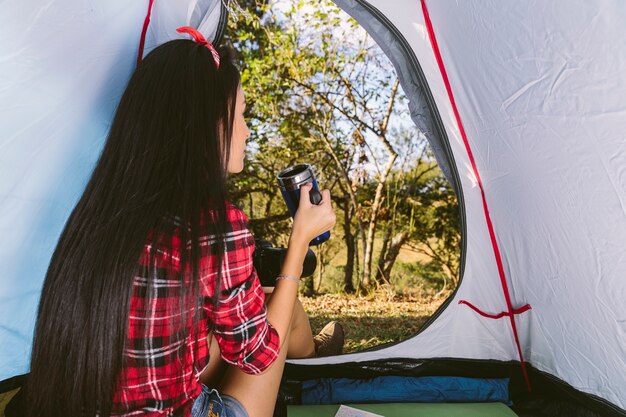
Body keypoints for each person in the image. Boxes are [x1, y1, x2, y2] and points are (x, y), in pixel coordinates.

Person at [23, 28, 341, 417]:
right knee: (281, 307)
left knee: (267, 298)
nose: (246, 130)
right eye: (240, 115)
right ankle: (313, 368)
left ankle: (314, 356)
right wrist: (300, 243)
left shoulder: (97, 211)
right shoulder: (214, 225)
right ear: (207, 124)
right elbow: (257, 355)